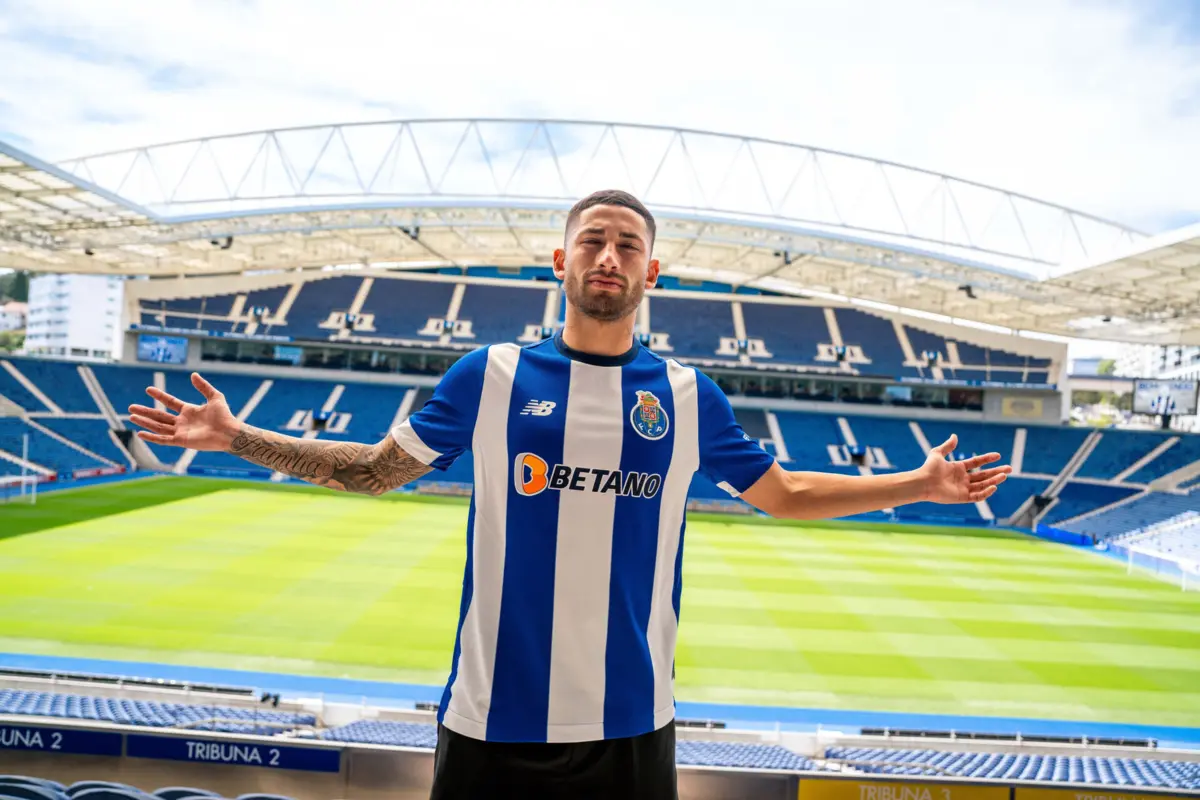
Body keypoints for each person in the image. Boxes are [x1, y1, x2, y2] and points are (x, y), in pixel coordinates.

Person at [129, 189, 1011, 799]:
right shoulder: (492, 375)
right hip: (489, 720)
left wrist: (921, 482)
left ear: (652, 274)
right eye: (593, 238)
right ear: (561, 259)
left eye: (629, 244)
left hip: (629, 726)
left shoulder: (689, 394)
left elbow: (782, 493)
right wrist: (233, 437)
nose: (609, 254)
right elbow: (369, 472)